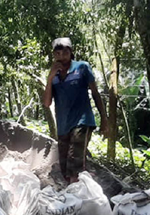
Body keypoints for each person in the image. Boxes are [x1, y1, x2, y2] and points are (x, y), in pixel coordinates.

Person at [43, 37, 108, 183]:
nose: (61, 56)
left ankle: (78, 197)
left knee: (75, 161)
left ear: (71, 52)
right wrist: (49, 78)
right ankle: (74, 192)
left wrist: (104, 119)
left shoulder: (82, 67)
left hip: (82, 120)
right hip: (63, 125)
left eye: (65, 52)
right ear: (54, 55)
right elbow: (47, 103)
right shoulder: (53, 75)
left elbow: (95, 93)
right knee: (65, 165)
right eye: (57, 53)